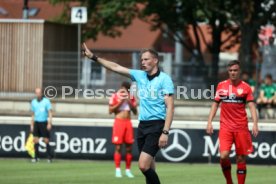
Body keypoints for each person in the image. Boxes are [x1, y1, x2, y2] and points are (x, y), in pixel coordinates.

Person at [83, 43, 174, 184]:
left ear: (155, 60)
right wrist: (94, 57)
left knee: (143, 165)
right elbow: (115, 67)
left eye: (146, 59)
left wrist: (165, 132)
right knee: (150, 167)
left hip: (157, 126)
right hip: (142, 126)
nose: (142, 62)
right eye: (142, 60)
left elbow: (170, 107)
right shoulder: (139, 75)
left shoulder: (164, 79)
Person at [206, 60, 258, 184]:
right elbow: (215, 104)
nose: (233, 72)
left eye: (235, 70)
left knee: (240, 159)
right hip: (226, 127)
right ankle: (229, 181)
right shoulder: (221, 86)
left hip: (241, 127)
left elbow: (251, 106)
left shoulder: (246, 87)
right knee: (223, 156)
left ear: (239, 71)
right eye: (230, 70)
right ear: (228, 72)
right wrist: (209, 122)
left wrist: (255, 123)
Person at [109, 81, 137, 178]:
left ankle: (128, 170)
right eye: (124, 89)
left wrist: (128, 101)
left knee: (129, 148)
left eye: (127, 89)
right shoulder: (115, 96)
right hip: (119, 122)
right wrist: (121, 101)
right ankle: (117, 170)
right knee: (118, 147)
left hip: (128, 123)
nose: (125, 91)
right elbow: (110, 110)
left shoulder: (131, 97)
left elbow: (135, 111)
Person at [30, 87, 53, 163]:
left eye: (39, 93)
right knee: (35, 140)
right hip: (36, 122)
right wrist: (32, 124)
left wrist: (49, 123)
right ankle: (36, 157)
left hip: (44, 122)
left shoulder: (46, 101)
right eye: (36, 93)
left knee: (46, 140)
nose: (38, 94)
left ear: (41, 93)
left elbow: (50, 112)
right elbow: (33, 114)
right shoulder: (33, 102)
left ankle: (49, 157)